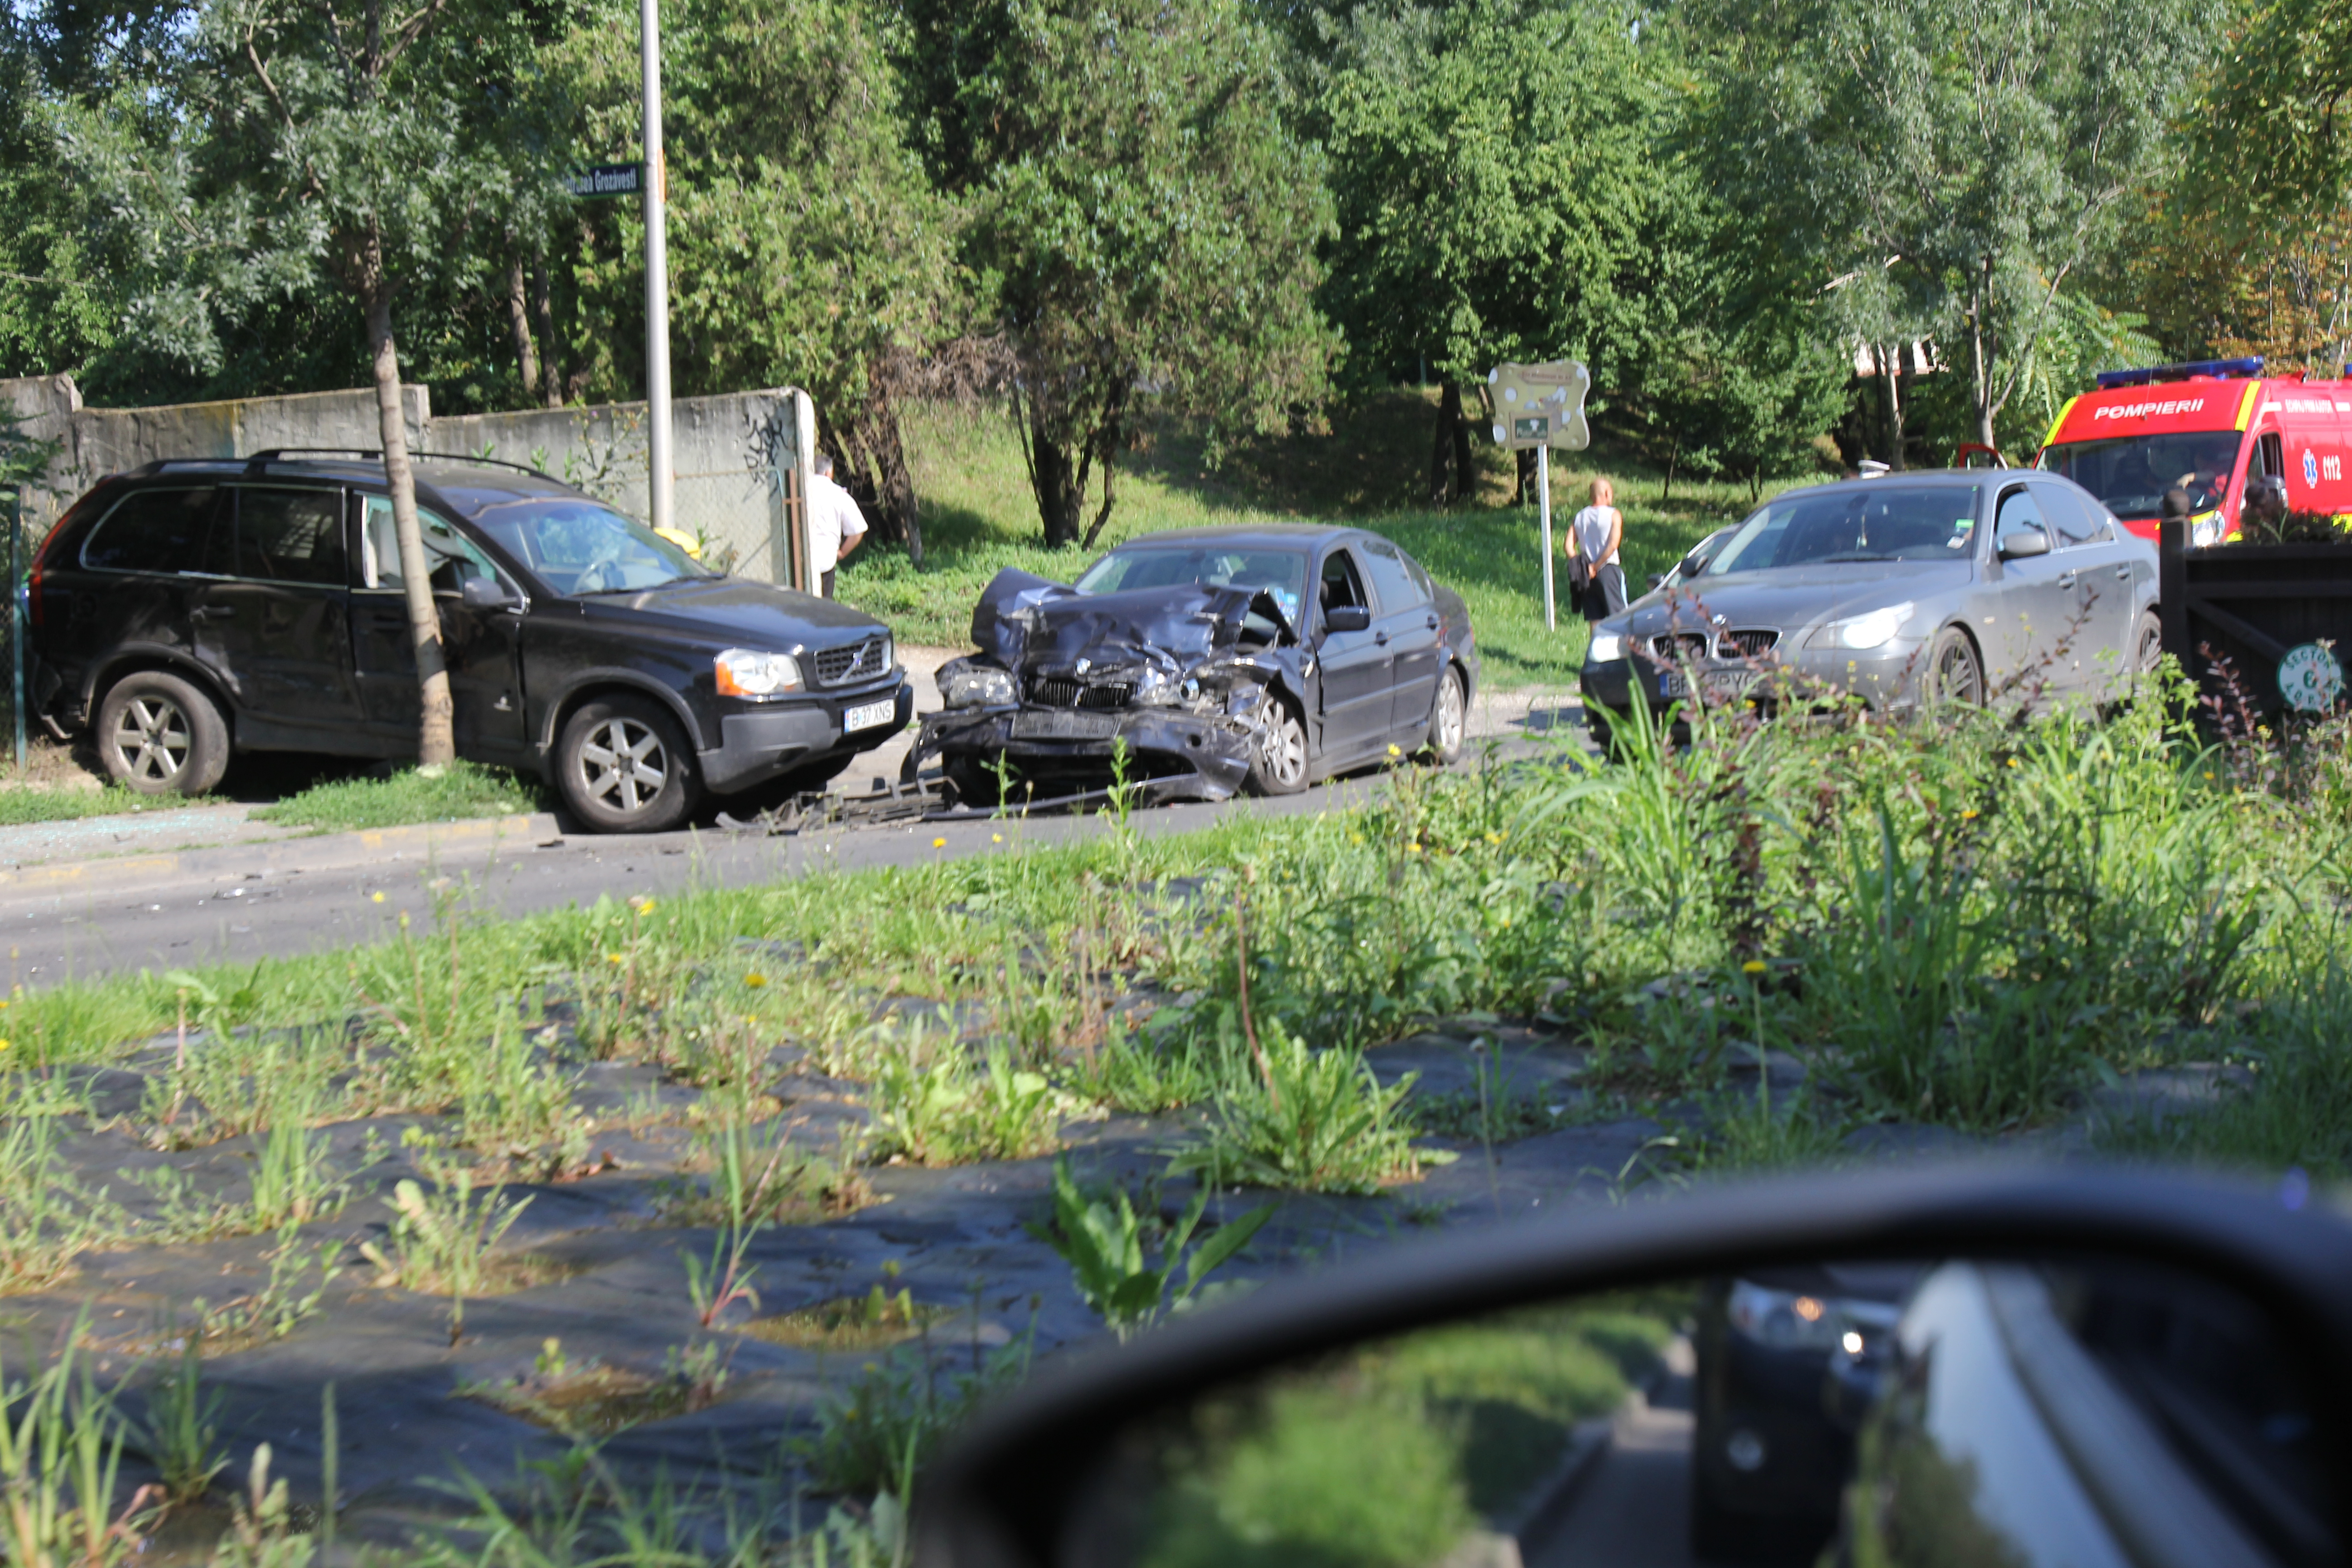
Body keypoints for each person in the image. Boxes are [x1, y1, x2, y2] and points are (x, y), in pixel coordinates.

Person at [807, 451, 868, 598]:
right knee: (824, 605)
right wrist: (842, 553)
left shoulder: (801, 490)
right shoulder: (839, 494)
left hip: (799, 559)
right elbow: (858, 530)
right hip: (826, 560)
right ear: (829, 472)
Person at [1570, 477, 1626, 620]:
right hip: (1608, 570)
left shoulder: (1580, 516)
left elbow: (1568, 546)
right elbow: (1613, 545)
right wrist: (1596, 567)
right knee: (1619, 618)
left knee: (1595, 621)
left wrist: (1583, 567)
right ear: (1607, 493)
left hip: (1587, 575)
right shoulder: (1614, 514)